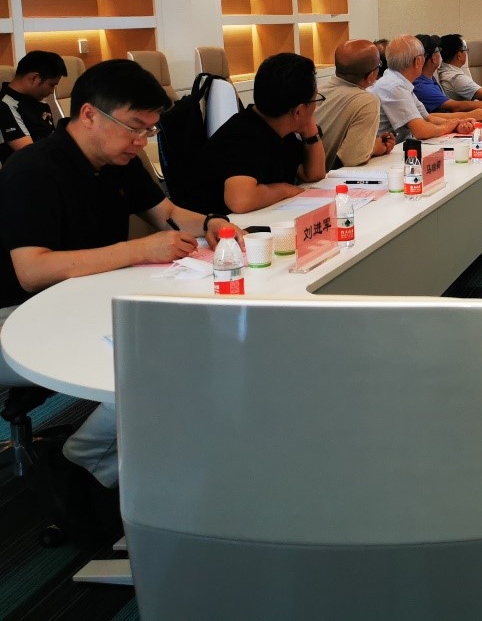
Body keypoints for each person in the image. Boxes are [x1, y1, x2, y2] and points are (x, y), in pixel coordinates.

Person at [0, 59, 241, 530]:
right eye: (135, 127)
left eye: (149, 130)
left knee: (192, 342)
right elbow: (32, 271)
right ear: (89, 114)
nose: (141, 141)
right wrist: (139, 250)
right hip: (18, 321)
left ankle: (117, 467)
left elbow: (168, 213)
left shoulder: (117, 161)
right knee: (157, 360)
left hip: (79, 307)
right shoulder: (33, 171)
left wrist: (214, 224)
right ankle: (83, 462)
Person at [187, 53, 327, 215]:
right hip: (212, 225)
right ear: (298, 111)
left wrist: (309, 129)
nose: (315, 106)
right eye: (315, 100)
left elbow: (314, 174)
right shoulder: (245, 134)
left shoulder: (278, 126)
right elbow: (239, 200)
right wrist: (285, 189)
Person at [370, 35, 475, 141]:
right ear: (418, 61)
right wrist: (449, 126)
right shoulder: (394, 86)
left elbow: (427, 118)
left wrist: (457, 123)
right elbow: (421, 131)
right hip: (387, 150)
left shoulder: (400, 81)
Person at [315, 39, 396, 172]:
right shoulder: (367, 101)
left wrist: (368, 144)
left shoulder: (318, 90)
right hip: (327, 178)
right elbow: (351, 159)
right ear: (370, 76)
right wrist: (374, 148)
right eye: (379, 65)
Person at [0, 50, 66, 163]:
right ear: (35, 78)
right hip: (29, 170)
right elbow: (31, 153)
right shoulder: (5, 105)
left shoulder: (40, 103)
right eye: (51, 85)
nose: (52, 91)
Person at [411, 34, 482, 115]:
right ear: (434, 58)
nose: (441, 53)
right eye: (438, 50)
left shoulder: (430, 78)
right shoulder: (422, 86)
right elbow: (455, 107)